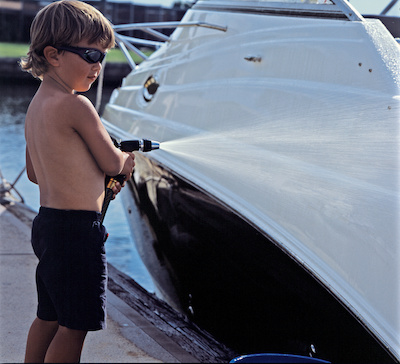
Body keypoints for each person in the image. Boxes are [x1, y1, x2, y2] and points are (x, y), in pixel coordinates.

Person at [20, 1, 135, 362]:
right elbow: (111, 161)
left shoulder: (37, 106)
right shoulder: (76, 105)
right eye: (89, 54)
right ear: (53, 54)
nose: (98, 66)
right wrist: (125, 161)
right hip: (76, 232)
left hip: (48, 227)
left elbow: (36, 174)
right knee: (75, 326)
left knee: (49, 316)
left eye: (101, 56)